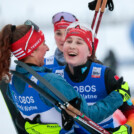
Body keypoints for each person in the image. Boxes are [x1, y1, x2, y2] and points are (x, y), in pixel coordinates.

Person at [0, 20, 131, 134]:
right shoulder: (52, 80)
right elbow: (88, 117)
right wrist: (119, 95)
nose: (47, 48)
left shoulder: (12, 81)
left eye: (79, 43)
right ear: (32, 51)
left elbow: (23, 117)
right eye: (43, 43)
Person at [53, 22, 134, 134]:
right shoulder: (55, 76)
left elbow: (130, 111)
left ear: (89, 51)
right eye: (69, 41)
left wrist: (126, 130)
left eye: (79, 42)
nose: (72, 46)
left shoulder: (104, 74)